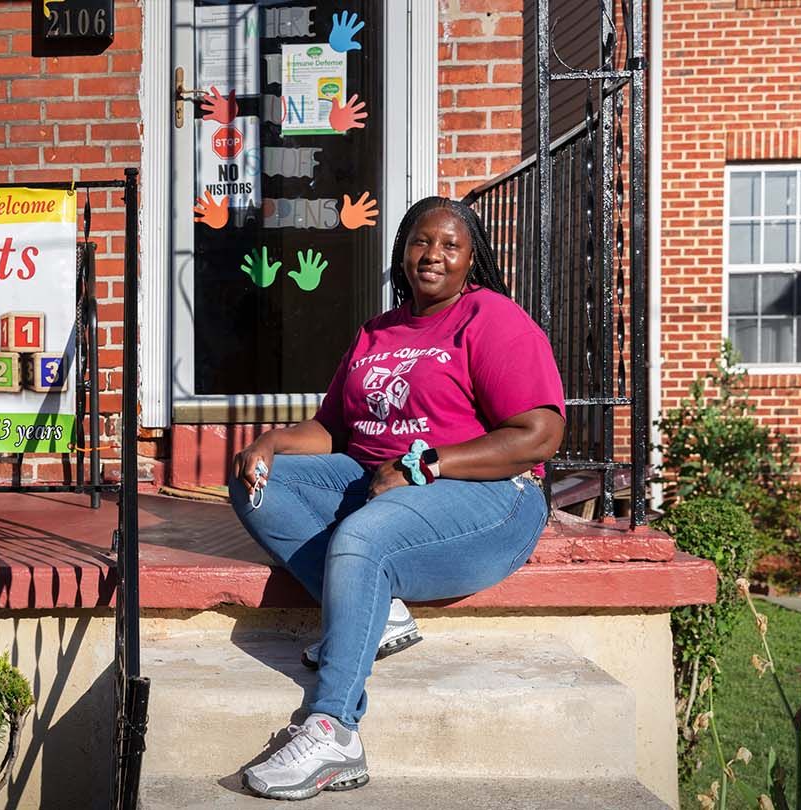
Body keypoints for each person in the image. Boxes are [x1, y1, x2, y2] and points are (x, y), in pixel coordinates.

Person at [228, 196, 566, 801]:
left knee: (365, 536)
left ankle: (335, 730)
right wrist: (272, 442)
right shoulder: (378, 330)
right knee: (258, 483)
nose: (432, 254)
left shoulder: (490, 317)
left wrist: (427, 464)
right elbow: (333, 428)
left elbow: (538, 436)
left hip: (489, 495)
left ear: (470, 260)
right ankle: (378, 613)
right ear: (402, 251)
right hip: (379, 479)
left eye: (449, 245)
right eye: (420, 241)